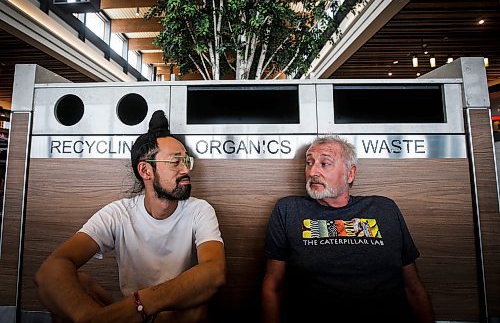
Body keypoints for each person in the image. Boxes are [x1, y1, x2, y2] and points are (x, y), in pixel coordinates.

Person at [35, 110, 225, 323]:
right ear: (146, 171)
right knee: (73, 284)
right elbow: (51, 269)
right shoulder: (118, 214)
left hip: (166, 311)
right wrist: (91, 318)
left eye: (186, 161)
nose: (185, 170)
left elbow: (214, 271)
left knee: (194, 309)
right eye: (175, 162)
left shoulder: (199, 210)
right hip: (125, 316)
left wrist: (141, 303)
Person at [261, 135, 434, 323]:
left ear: (350, 174)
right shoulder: (289, 209)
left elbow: (413, 286)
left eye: (325, 163)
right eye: (309, 163)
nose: (312, 172)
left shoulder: (384, 209)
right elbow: (273, 285)